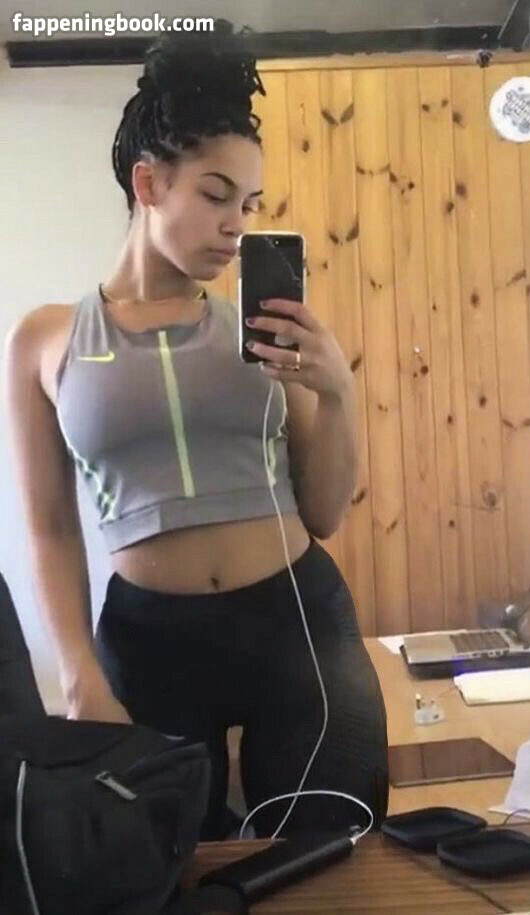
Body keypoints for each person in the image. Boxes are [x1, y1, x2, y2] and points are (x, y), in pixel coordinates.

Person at [3, 20, 389, 841]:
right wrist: (75, 670)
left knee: (330, 862)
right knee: (161, 871)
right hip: (150, 644)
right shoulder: (44, 340)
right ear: (148, 183)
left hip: (297, 624)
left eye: (249, 205)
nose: (235, 224)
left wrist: (338, 392)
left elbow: (324, 512)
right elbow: (49, 528)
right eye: (216, 195)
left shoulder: (261, 328)